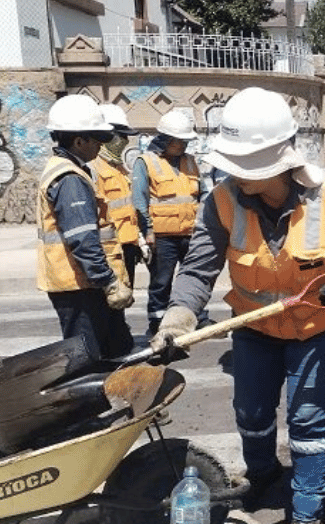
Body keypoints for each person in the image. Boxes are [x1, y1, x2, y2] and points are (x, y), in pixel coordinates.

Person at [149, 87, 325, 524]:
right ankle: (263, 475)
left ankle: (307, 509)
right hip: (254, 328)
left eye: (244, 162)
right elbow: (198, 270)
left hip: (318, 330)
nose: (234, 172)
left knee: (307, 421)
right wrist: (177, 319)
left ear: (279, 158)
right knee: (252, 414)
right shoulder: (223, 200)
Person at [37, 94, 134, 360]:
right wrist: (109, 283)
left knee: (114, 349)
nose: (101, 146)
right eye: (97, 139)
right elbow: (83, 240)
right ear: (79, 141)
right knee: (87, 360)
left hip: (80, 283)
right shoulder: (70, 179)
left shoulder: (66, 170)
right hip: (80, 287)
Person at [132, 109, 211, 335]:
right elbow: (139, 199)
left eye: (186, 141)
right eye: (180, 141)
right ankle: (157, 322)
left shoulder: (190, 161)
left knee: (193, 279)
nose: (184, 145)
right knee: (161, 282)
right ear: (166, 139)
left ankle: (198, 317)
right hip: (162, 236)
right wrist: (147, 230)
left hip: (190, 232)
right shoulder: (145, 162)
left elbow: (203, 193)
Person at [93, 104, 149, 287]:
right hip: (109, 251)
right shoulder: (94, 168)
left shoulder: (118, 168)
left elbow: (128, 210)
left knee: (122, 303)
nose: (125, 141)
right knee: (109, 308)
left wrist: (138, 240)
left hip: (127, 247)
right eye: (121, 135)